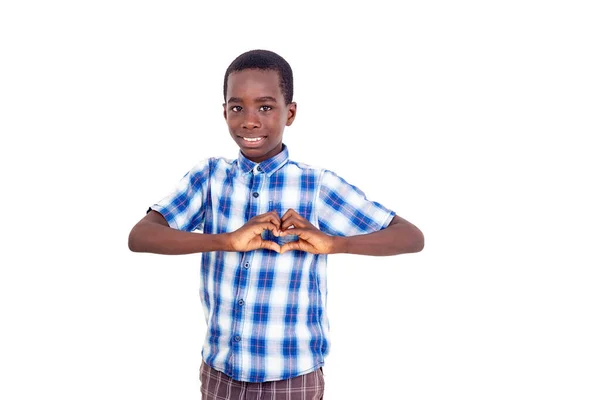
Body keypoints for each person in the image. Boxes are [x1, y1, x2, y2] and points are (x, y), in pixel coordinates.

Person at [128, 49, 424, 400]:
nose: (249, 121)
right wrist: (227, 241)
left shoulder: (316, 186)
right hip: (220, 375)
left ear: (291, 113)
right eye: (237, 107)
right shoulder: (208, 177)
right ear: (224, 112)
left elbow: (410, 236)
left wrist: (334, 243)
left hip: (292, 380)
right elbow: (140, 236)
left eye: (265, 107)